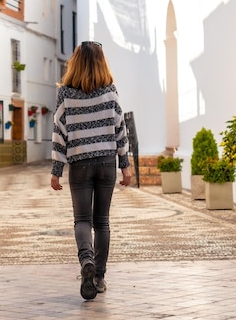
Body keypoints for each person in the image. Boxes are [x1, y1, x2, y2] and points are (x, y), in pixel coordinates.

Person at [50, 41, 133, 300]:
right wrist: (126, 165)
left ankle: (86, 261)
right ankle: (98, 276)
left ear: (75, 62)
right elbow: (120, 130)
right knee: (102, 222)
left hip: (79, 164)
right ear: (101, 61)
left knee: (82, 220)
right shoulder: (110, 91)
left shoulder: (66, 94)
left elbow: (59, 132)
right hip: (107, 162)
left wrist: (56, 169)